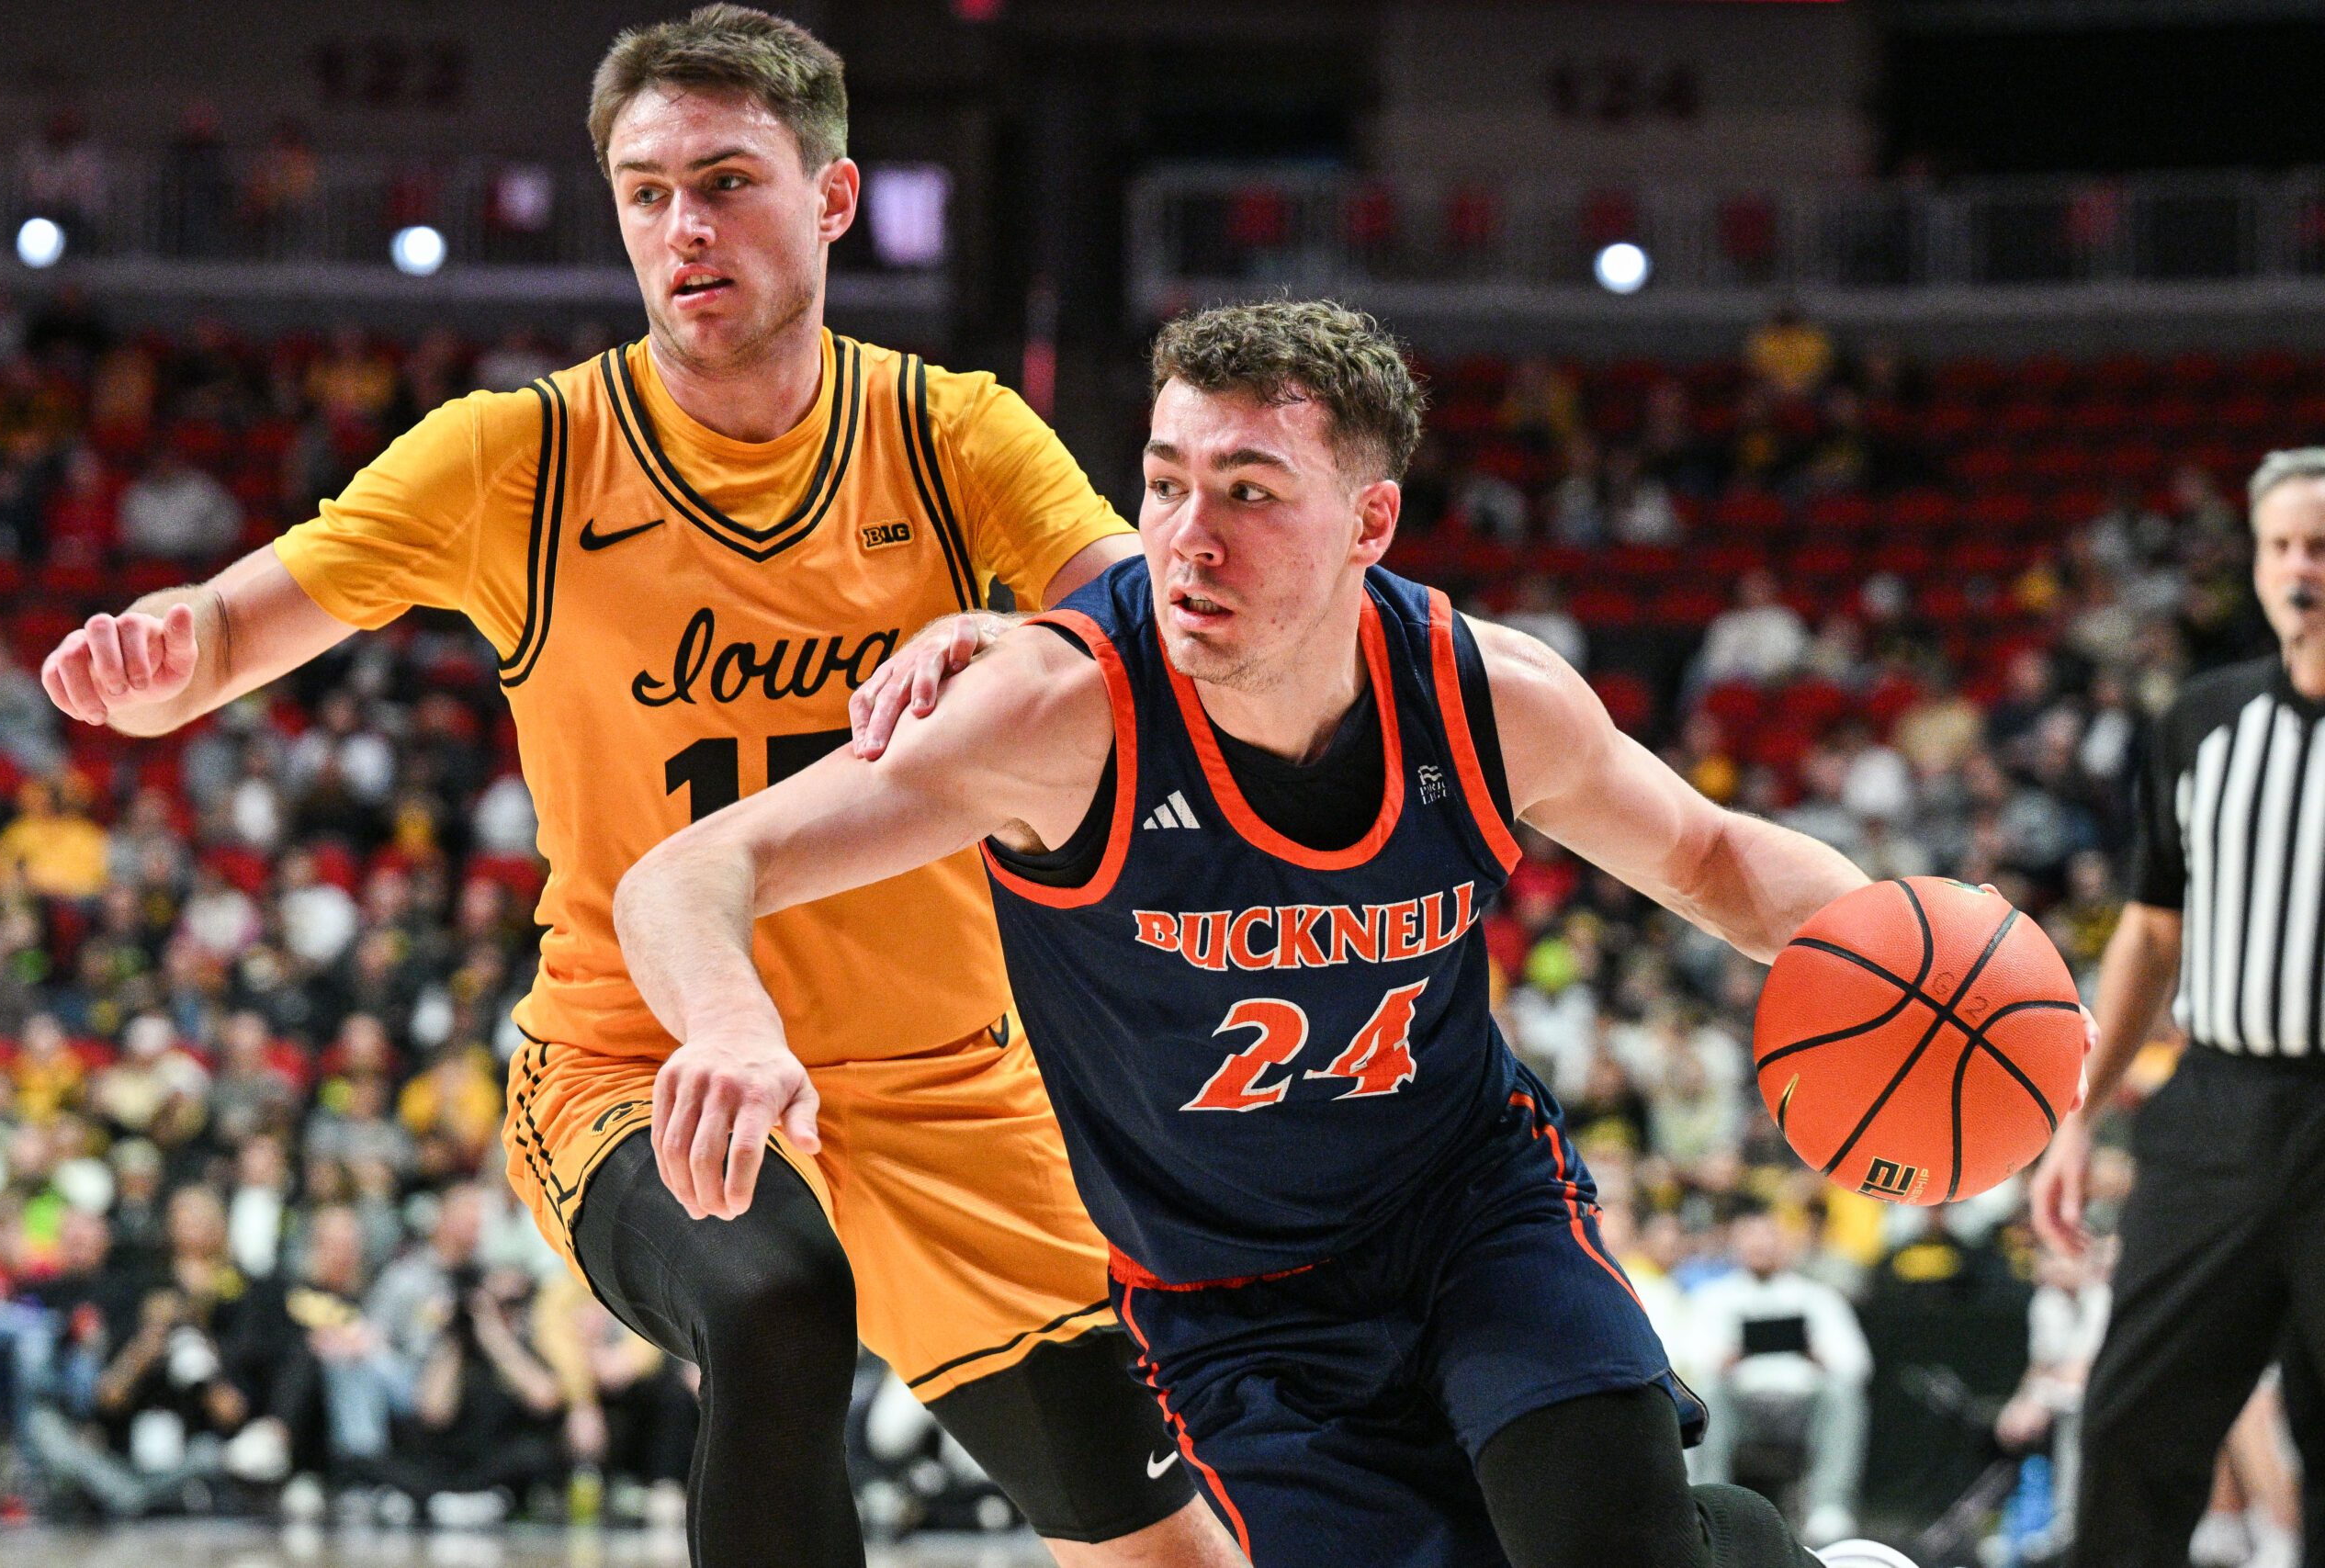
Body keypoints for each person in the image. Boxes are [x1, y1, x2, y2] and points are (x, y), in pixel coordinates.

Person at [31, 8, 1227, 1566]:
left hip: (944, 1080)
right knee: (778, 1298)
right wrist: (161, 657)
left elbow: (1155, 640)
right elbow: (232, 633)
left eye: (727, 181)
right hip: (640, 1064)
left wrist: (1012, 628)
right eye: (648, 192)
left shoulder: (952, 437)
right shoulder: (518, 458)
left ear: (835, 200)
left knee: (1162, 1547)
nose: (685, 226)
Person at [612, 298, 1913, 1568]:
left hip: (1473, 1212)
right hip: (1234, 1302)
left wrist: (1921, 953)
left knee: (1610, 1547)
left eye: (1249, 490)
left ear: (1370, 520)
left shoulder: (1484, 697)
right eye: (1165, 482)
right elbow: (689, 870)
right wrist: (730, 1022)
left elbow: (1714, 856)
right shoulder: (1056, 717)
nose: (1189, 538)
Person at [2032, 446, 2325, 1568]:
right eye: (2281, 546)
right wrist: (2080, 1115)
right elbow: (2152, 933)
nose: (2301, 568)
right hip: (2216, 1106)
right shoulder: (2201, 724)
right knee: (2128, 1425)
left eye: (2319, 547)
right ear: (2254, 564)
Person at [1684, 1209, 1874, 1548]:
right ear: (1736, 1245)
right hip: (1740, 1407)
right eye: (1751, 1241)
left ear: (1784, 1244)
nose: (1761, 1248)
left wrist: (1815, 1354)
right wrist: (1731, 1355)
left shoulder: (1817, 1297)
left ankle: (1828, 1509)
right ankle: (1707, 1504)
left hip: (1801, 1408)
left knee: (1841, 1394)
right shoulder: (1714, 1298)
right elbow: (1690, 1365)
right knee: (1708, 1392)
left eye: (1768, 1240)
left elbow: (1857, 1365)